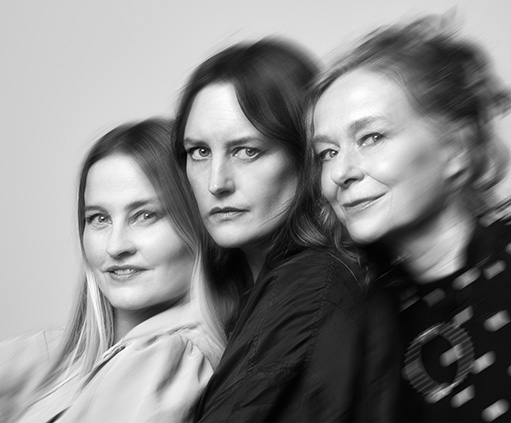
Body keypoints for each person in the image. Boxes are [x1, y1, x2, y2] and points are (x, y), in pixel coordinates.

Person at [308, 15, 511, 422]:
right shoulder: (353, 320)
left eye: (371, 137)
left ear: (455, 149)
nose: (341, 172)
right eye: (327, 152)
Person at [173, 38, 400, 421]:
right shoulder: (243, 295)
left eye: (247, 151)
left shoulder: (313, 282)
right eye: (199, 152)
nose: (216, 182)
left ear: (305, 156)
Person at [1, 119, 226, 422]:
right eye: (99, 218)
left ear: (197, 224)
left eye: (145, 215)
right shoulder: (56, 352)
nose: (115, 246)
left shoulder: (165, 357)